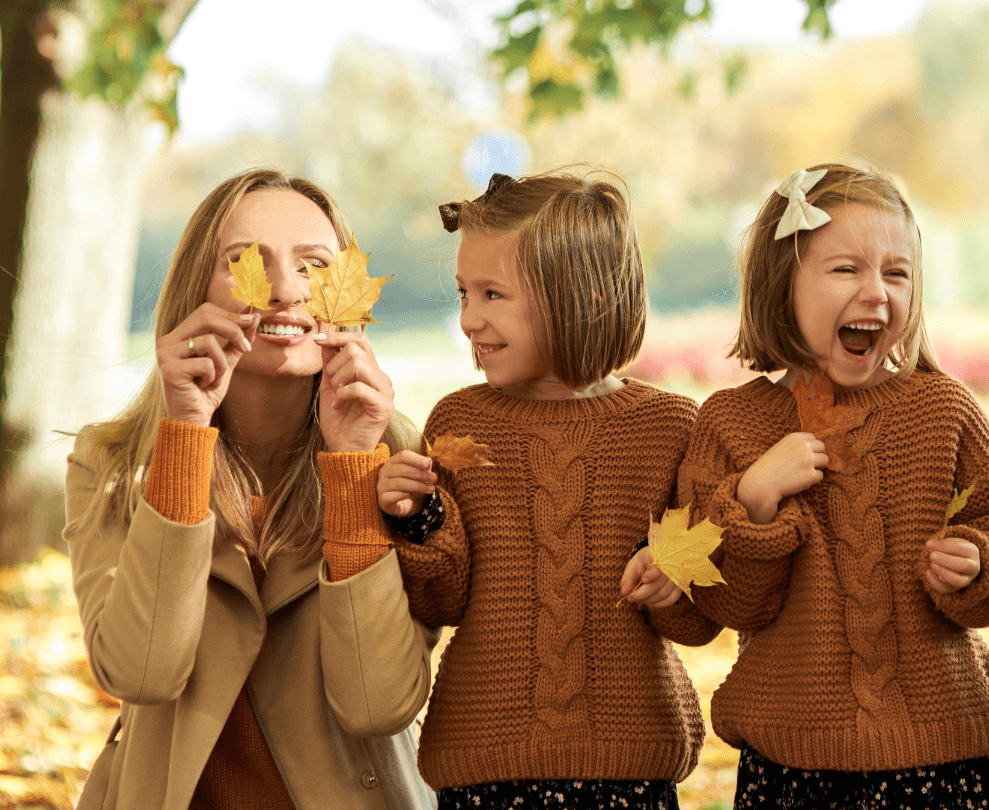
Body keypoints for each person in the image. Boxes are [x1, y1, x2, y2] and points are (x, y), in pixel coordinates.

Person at [676, 162, 989, 809]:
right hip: (793, 764)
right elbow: (729, 606)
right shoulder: (732, 424)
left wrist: (980, 563)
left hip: (945, 753)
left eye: (897, 272)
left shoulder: (943, 409)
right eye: (847, 269)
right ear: (782, 283)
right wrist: (754, 500)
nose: (877, 292)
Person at [63, 168, 437, 810]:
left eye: (315, 266)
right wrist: (184, 434)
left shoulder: (402, 463)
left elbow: (378, 704)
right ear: (195, 291)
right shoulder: (113, 464)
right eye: (245, 263)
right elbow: (141, 672)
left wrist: (352, 470)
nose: (286, 290)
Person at [369, 171, 715, 810]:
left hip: (629, 763)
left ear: (578, 296)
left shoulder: (670, 429)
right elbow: (442, 596)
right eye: (463, 294)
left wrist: (671, 574)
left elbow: (695, 623)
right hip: (483, 765)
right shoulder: (458, 423)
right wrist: (417, 514)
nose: (469, 318)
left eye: (492, 294)